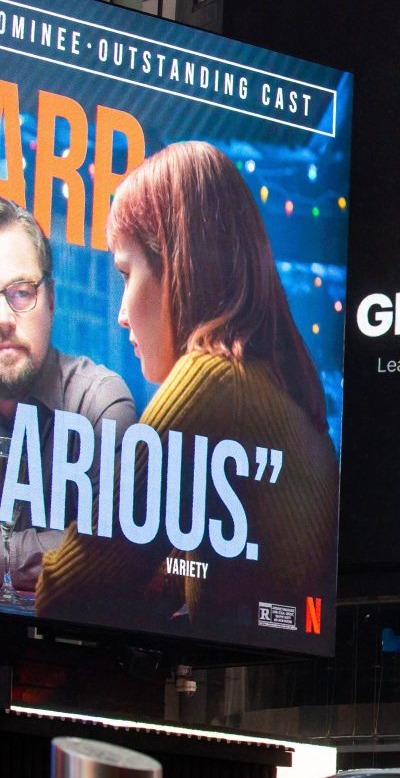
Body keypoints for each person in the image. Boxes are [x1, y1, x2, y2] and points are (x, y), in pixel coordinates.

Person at [36, 141, 338, 629]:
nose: (120, 316)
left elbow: (63, 596)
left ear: (175, 266)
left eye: (125, 272)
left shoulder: (211, 383)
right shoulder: (276, 393)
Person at [0, 197, 136, 592]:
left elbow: (112, 546)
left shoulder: (99, 402)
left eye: (21, 292)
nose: (4, 319)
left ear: (52, 301)